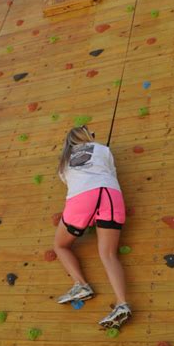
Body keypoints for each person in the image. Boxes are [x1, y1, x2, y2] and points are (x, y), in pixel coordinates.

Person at [53, 125, 132, 328]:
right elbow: (111, 172)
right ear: (87, 137)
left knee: (60, 246)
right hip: (111, 195)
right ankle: (122, 304)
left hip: (81, 199)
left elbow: (70, 182)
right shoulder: (102, 149)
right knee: (108, 255)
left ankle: (81, 285)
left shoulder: (64, 162)